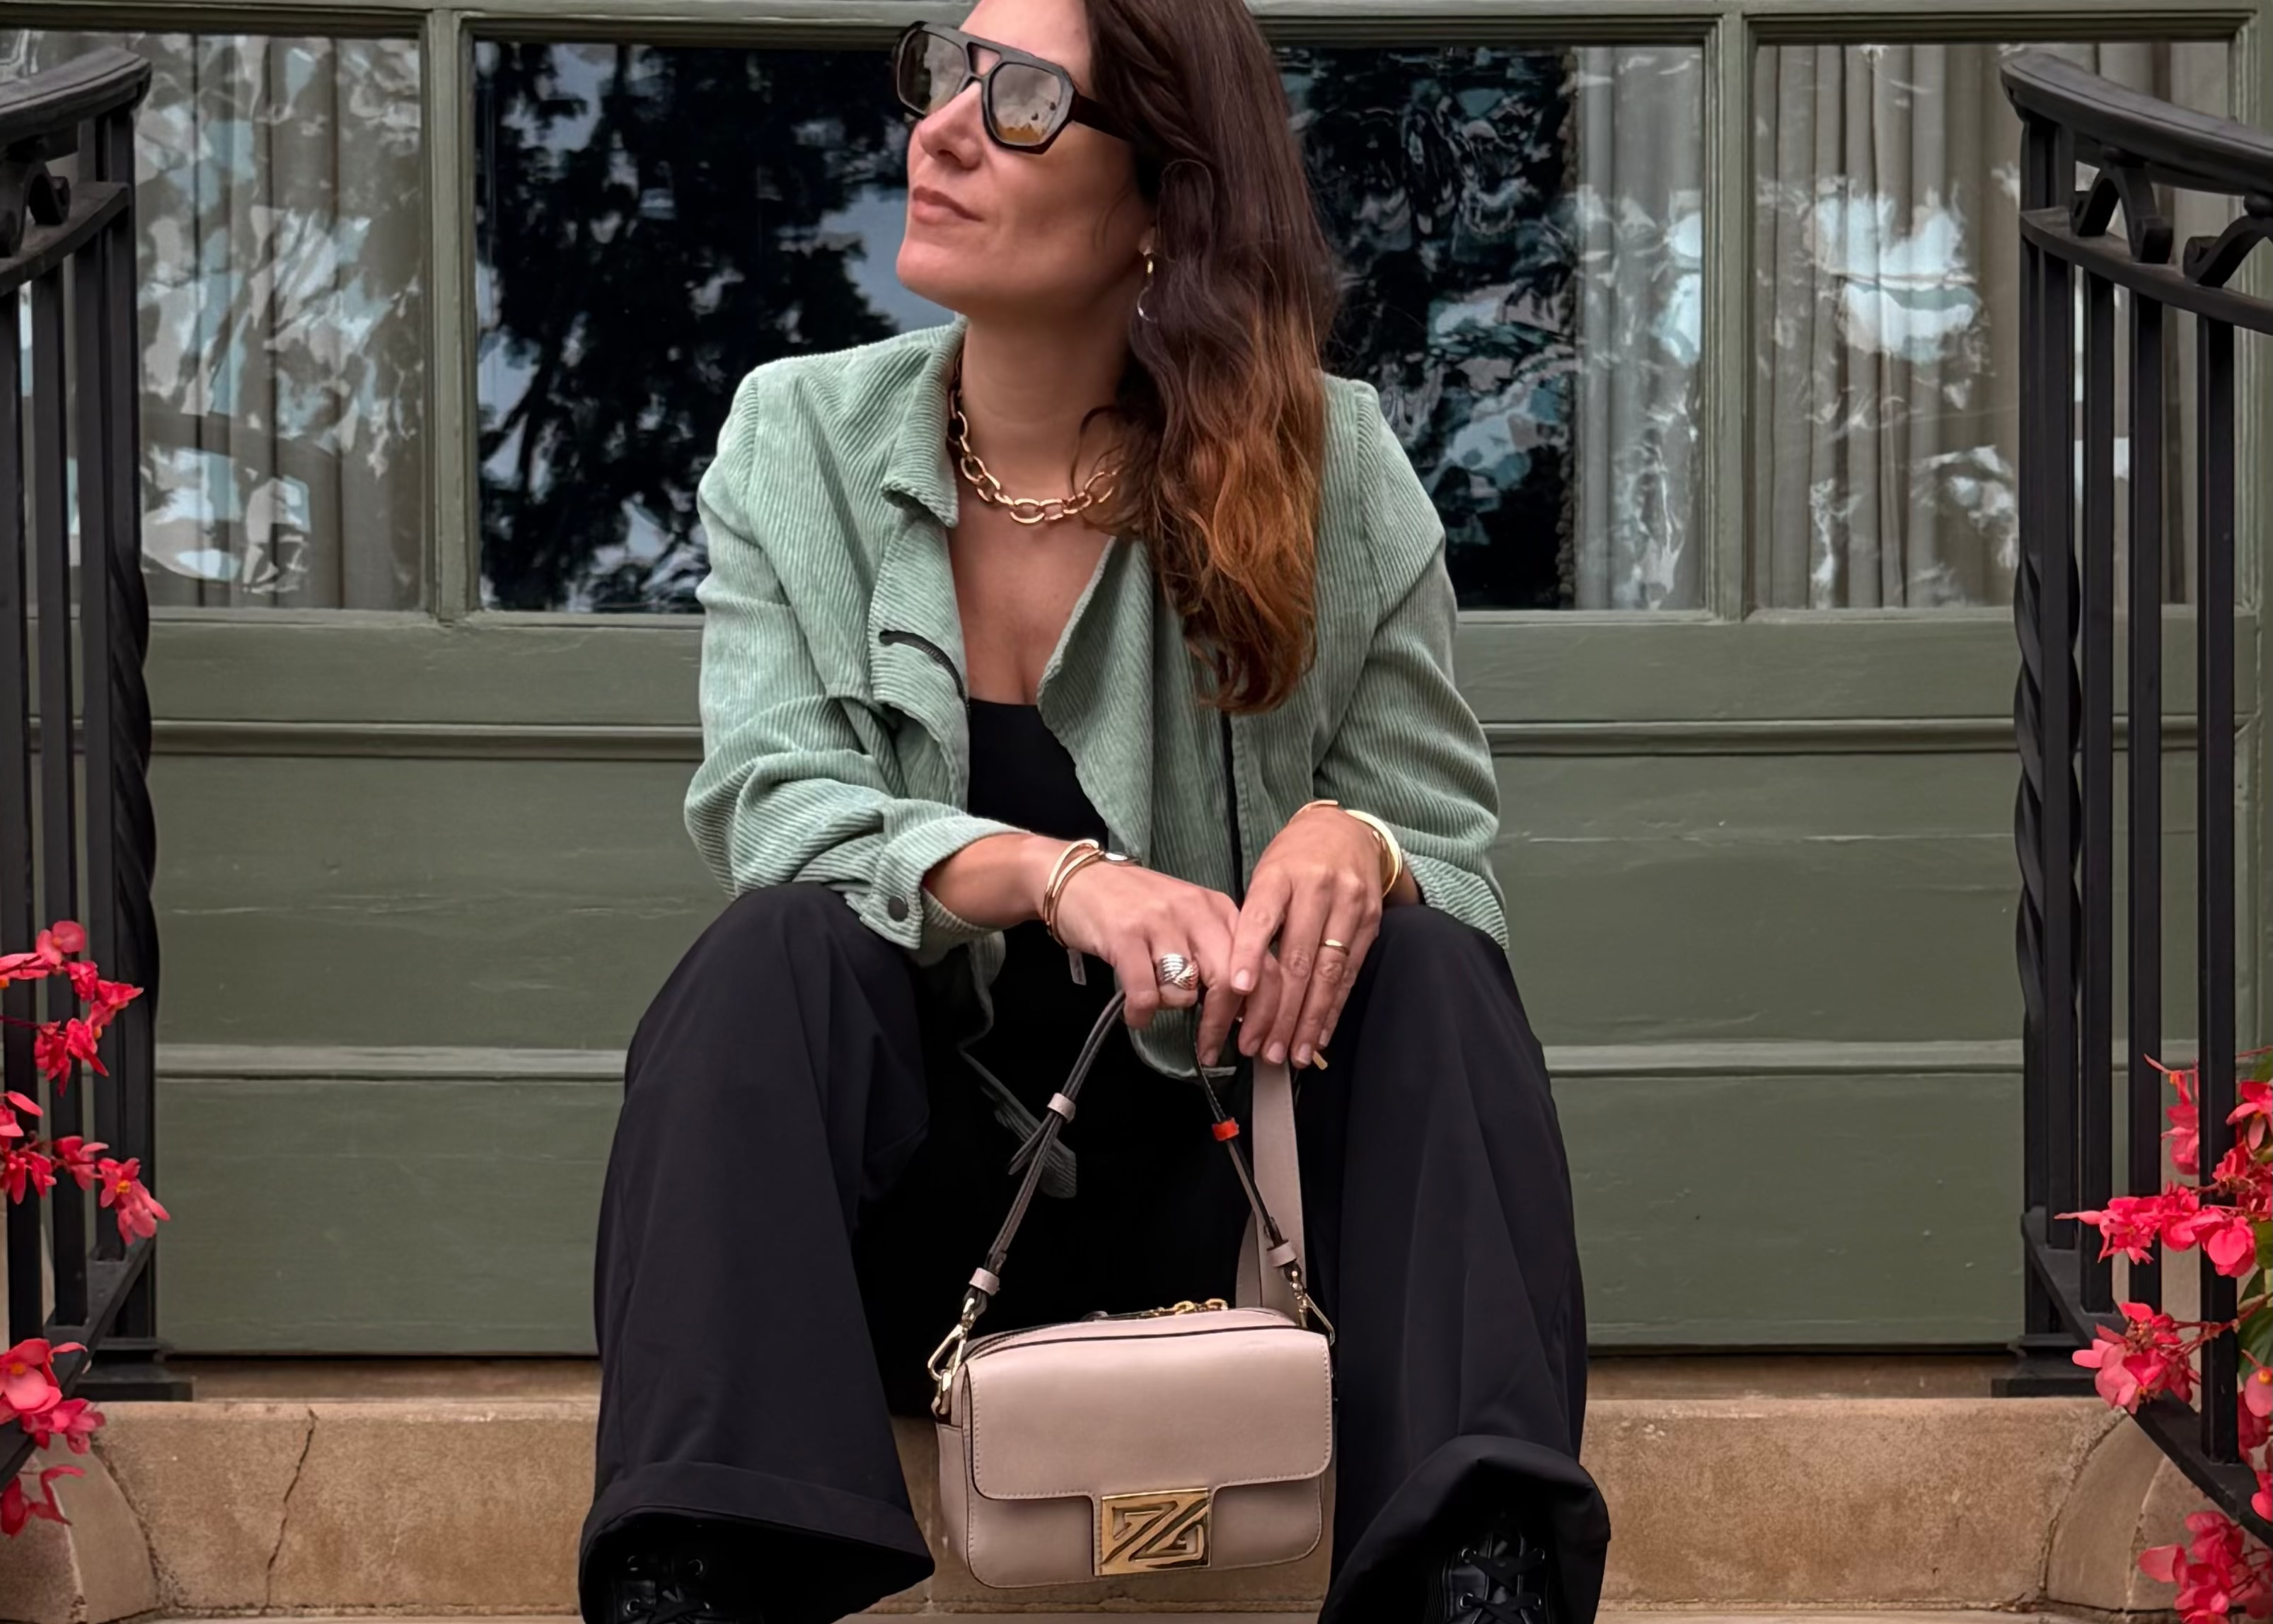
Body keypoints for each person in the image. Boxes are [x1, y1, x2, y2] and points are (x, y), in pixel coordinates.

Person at [576, 1, 1609, 1620]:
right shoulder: (800, 440)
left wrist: (1367, 840)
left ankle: (1478, 1570)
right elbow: (774, 798)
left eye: (1030, 99)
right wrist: (1059, 879)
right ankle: (691, 1574)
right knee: (762, 958)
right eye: (948, 72)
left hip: (1242, 1216)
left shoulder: (1326, 462)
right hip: (920, 1231)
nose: (944, 127)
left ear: (1160, 205)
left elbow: (1453, 850)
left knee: (1433, 971)